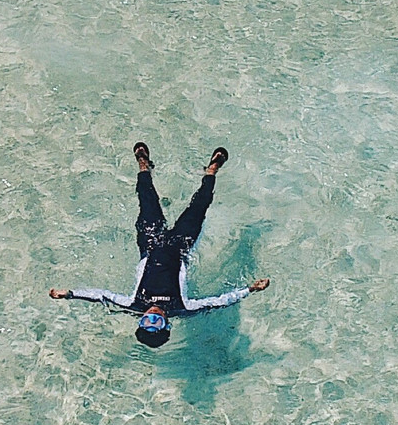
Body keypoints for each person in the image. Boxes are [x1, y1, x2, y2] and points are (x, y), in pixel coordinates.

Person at [49, 142, 270, 347]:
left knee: (147, 200)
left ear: (141, 321)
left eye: (147, 322)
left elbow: (100, 296)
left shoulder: (133, 303)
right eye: (157, 323)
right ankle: (211, 171)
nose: (152, 316)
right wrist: (250, 289)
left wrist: (70, 294)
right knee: (200, 206)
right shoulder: (181, 308)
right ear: (167, 324)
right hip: (181, 245)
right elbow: (219, 302)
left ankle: (144, 165)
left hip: (150, 242)